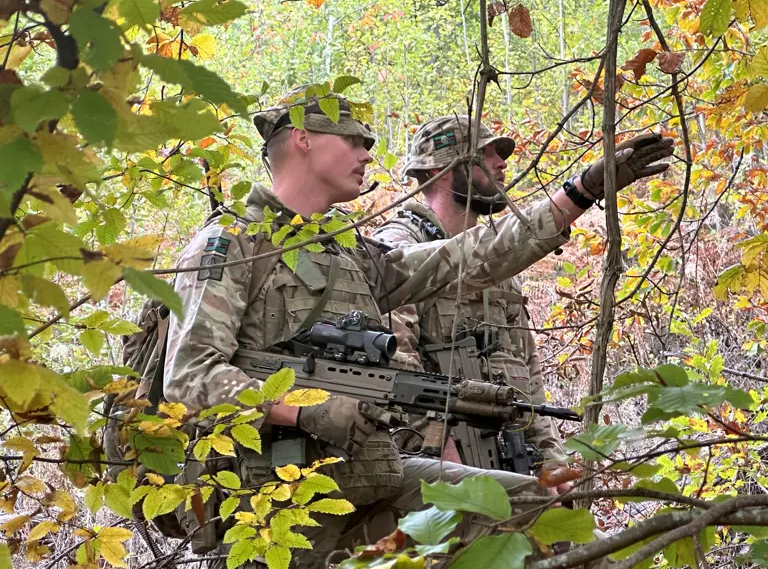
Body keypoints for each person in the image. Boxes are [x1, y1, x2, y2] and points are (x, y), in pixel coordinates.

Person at [162, 87, 673, 567]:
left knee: (525, 503)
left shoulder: (346, 253)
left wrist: (579, 193)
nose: (366, 154)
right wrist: (304, 412)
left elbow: (466, 257)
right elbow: (189, 379)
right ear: (303, 138)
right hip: (275, 510)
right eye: (355, 140)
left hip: (362, 481)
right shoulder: (231, 245)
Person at [372, 116, 673, 484]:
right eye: (486, 153)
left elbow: (527, 375)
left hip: (505, 455)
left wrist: (553, 464)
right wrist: (443, 462)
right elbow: (395, 367)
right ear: (444, 168)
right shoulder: (398, 246)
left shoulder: (499, 264)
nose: (501, 163)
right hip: (440, 467)